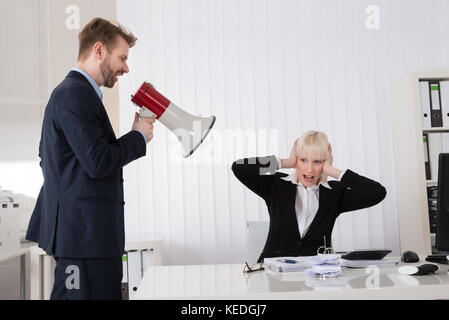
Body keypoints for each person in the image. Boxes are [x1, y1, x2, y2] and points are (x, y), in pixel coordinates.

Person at [25, 17, 155, 300]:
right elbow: (97, 161)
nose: (126, 67)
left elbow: (50, 157)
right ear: (99, 50)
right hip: (85, 240)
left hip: (86, 240)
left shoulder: (76, 95)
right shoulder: (75, 95)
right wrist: (137, 136)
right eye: (121, 58)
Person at [231, 130, 387, 262]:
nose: (309, 169)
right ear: (296, 159)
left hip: (316, 274)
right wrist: (285, 162)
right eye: (303, 160)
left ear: (325, 163)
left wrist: (333, 171)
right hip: (272, 272)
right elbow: (239, 168)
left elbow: (377, 192)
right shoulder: (276, 185)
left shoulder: (334, 193)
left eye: (317, 162)